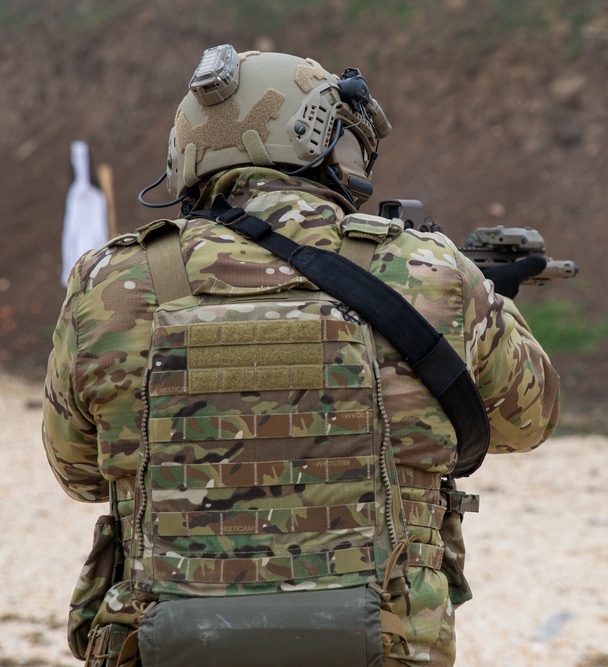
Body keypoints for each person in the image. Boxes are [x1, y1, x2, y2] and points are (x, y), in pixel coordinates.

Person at [43, 45, 560, 667]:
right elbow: (526, 421)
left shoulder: (108, 285)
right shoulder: (431, 275)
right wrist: (488, 304)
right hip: (386, 643)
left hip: (160, 643)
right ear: (322, 138)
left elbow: (79, 473)